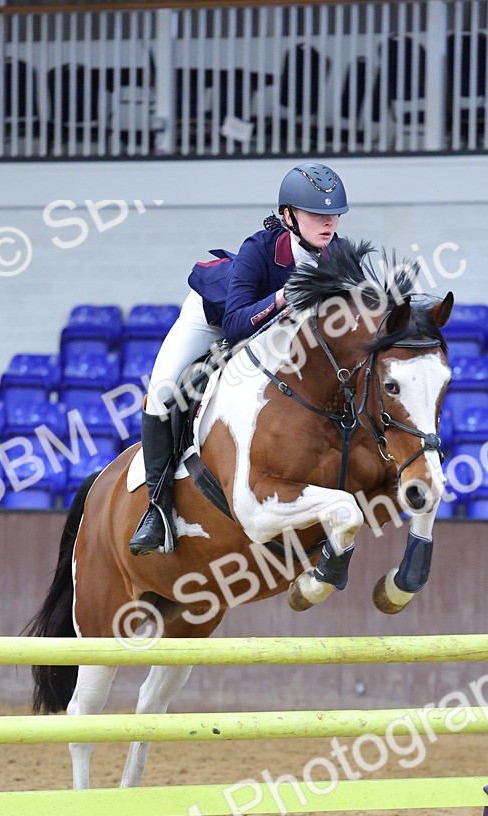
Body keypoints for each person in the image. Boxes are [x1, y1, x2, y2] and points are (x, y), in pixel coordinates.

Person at [129, 161, 349, 557]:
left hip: (270, 333)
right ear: (288, 216)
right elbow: (233, 326)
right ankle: (157, 509)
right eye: (316, 214)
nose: (328, 222)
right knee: (162, 392)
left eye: (333, 214)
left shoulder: (340, 255)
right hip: (214, 318)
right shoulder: (258, 250)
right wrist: (283, 297)